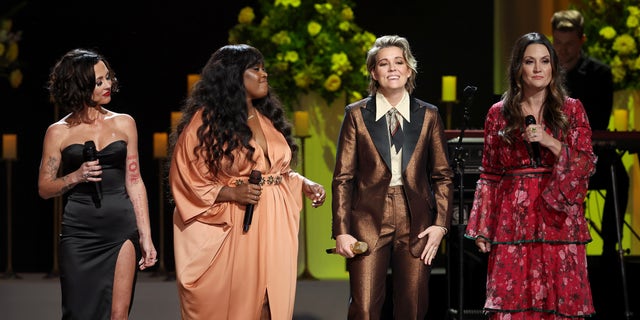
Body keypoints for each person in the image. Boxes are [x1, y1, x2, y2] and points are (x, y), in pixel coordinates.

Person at [168, 44, 326, 319]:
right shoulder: (206, 123)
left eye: (264, 68)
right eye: (256, 69)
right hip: (237, 225)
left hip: (275, 223)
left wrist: (302, 182)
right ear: (233, 76)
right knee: (244, 304)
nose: (264, 75)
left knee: (271, 302)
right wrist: (230, 193)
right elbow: (186, 178)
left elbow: (274, 172)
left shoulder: (267, 119)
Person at [465, 32, 596, 319]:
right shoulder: (497, 114)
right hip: (514, 219)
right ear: (518, 69)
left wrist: (550, 141)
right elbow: (489, 173)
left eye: (545, 61)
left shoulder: (572, 110)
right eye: (530, 61)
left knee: (561, 303)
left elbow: (585, 164)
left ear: (553, 68)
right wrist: (484, 226)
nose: (538, 68)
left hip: (559, 218)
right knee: (513, 302)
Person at [331, 35, 454, 319]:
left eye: (399, 62)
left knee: (412, 307)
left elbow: (443, 176)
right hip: (368, 217)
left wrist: (440, 226)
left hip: (417, 220)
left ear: (409, 69)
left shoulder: (428, 115)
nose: (392, 69)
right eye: (384, 64)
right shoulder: (357, 115)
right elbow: (343, 178)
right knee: (363, 308)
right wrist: (341, 230)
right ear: (374, 72)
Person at [37, 48, 158, 319]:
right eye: (99, 81)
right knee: (78, 314)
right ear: (80, 86)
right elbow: (44, 187)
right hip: (79, 233)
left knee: (119, 314)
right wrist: (76, 176)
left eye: (108, 78)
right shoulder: (58, 132)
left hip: (121, 228)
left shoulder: (125, 123)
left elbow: (135, 181)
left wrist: (146, 236)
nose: (108, 85)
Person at [551, 9, 630, 260]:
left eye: (569, 44)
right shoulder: (544, 69)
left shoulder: (599, 73)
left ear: (582, 41)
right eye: (558, 44)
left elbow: (598, 121)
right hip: (549, 152)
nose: (562, 51)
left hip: (587, 151)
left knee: (618, 173)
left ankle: (610, 249)